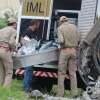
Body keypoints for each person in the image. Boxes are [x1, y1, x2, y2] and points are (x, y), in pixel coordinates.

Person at [57, 16, 80, 97]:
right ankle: (74, 93)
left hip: (65, 51)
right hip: (74, 51)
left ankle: (60, 94)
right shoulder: (74, 27)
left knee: (61, 73)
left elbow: (61, 40)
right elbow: (78, 39)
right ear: (67, 20)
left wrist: (59, 44)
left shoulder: (60, 28)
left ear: (61, 21)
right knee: (73, 73)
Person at [20, 20, 40, 93]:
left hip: (31, 54)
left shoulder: (33, 32)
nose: (38, 26)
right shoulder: (27, 31)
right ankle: (26, 88)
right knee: (28, 70)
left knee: (29, 71)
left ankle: (27, 87)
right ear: (34, 24)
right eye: (38, 24)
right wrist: (29, 45)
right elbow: (22, 40)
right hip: (28, 54)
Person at [0, 17, 17, 87]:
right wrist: (14, 49)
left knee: (1, 72)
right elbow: (12, 42)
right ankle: (5, 89)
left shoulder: (1, 30)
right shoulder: (13, 30)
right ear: (14, 24)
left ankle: (1, 88)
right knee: (9, 72)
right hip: (5, 51)